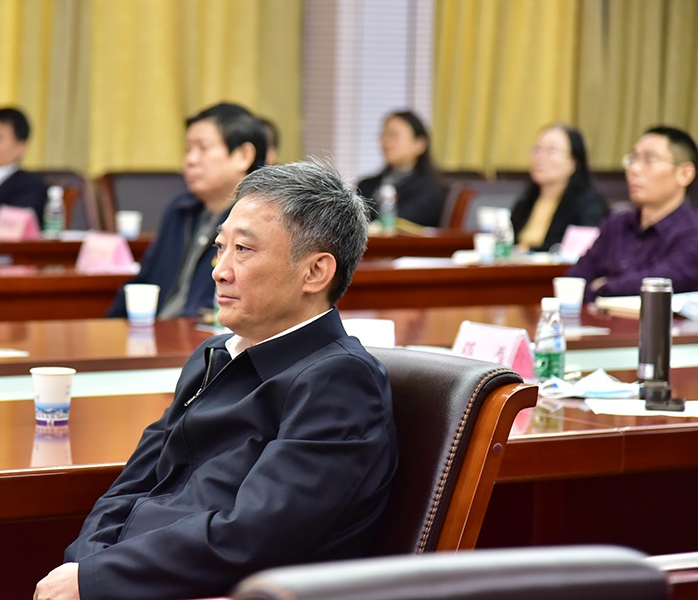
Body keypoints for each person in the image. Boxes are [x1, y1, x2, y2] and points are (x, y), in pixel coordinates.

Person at [35, 160, 398, 600]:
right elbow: (133, 484)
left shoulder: (339, 382)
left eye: (243, 250)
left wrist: (98, 580)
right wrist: (83, 566)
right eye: (220, 247)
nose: (219, 270)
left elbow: (253, 537)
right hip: (134, 577)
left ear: (315, 272)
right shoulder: (214, 354)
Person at [107, 102, 267, 319]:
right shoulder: (180, 211)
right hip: (157, 330)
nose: (190, 160)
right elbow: (144, 282)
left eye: (203, 148)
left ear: (243, 156)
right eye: (188, 150)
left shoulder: (260, 221)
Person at [567, 126, 698, 301]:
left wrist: (605, 286)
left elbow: (662, 283)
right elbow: (575, 279)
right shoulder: (616, 224)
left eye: (649, 160)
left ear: (685, 174)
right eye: (632, 159)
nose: (634, 169)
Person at [510, 124, 607, 252]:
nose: (540, 157)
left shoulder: (589, 205)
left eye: (551, 151)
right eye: (537, 149)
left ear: (574, 162)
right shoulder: (525, 202)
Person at [357, 110, 446, 227]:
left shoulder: (429, 188)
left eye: (394, 135)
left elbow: (400, 223)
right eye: (384, 135)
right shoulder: (365, 185)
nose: (386, 141)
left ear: (420, 144)